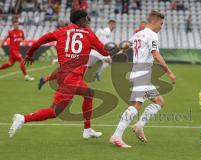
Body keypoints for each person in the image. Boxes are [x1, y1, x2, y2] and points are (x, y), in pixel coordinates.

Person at [9, 10, 110, 139]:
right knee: (54, 111)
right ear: (81, 20)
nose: (88, 21)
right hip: (71, 78)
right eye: (86, 19)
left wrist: (29, 54)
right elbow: (105, 52)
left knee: (89, 93)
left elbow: (39, 41)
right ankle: (23, 118)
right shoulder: (89, 33)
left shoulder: (61, 31)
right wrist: (116, 48)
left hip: (64, 74)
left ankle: (87, 130)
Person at [110, 10, 176, 148]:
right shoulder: (152, 35)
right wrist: (169, 72)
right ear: (154, 21)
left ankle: (139, 126)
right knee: (136, 106)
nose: (161, 27)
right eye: (161, 24)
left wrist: (120, 51)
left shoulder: (139, 33)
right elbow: (156, 54)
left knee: (159, 101)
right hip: (141, 75)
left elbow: (128, 44)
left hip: (141, 75)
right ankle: (116, 136)